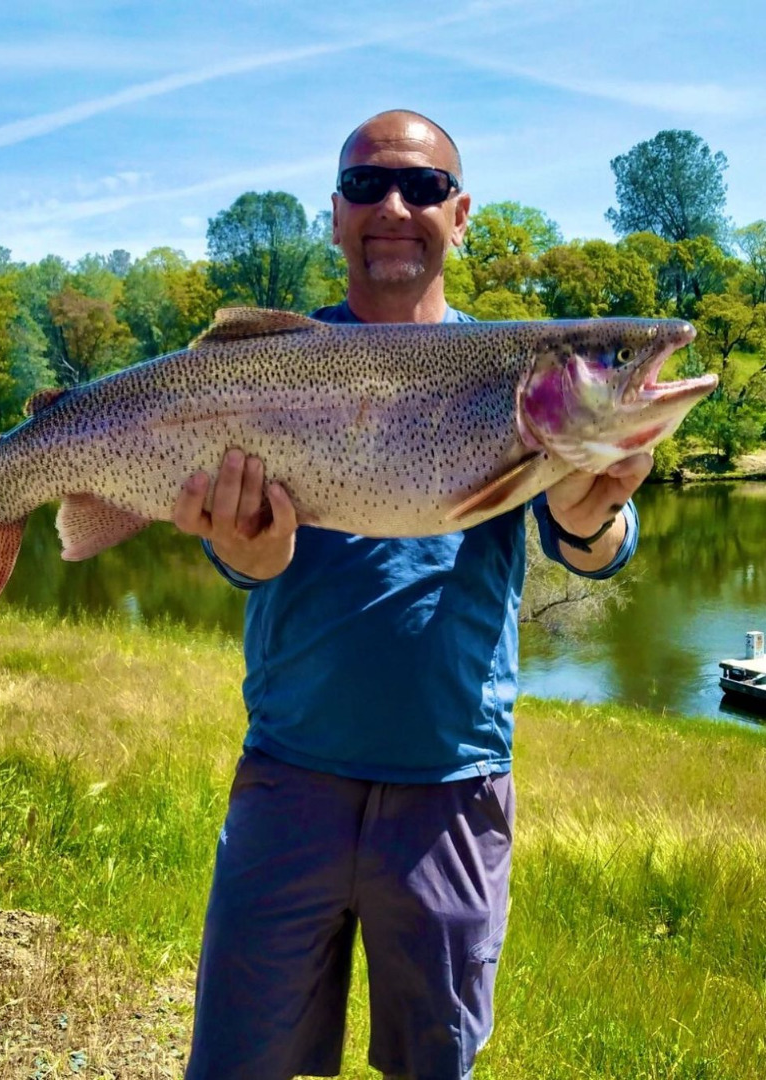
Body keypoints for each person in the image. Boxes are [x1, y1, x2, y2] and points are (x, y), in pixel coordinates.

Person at [175, 110, 651, 1080]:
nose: (393, 206)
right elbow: (248, 562)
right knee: (233, 1066)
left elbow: (585, 541)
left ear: (460, 214)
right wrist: (242, 552)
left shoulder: (513, 370)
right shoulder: (274, 363)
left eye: (423, 188)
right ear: (336, 217)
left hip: (452, 789)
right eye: (365, 186)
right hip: (286, 777)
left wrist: (593, 509)